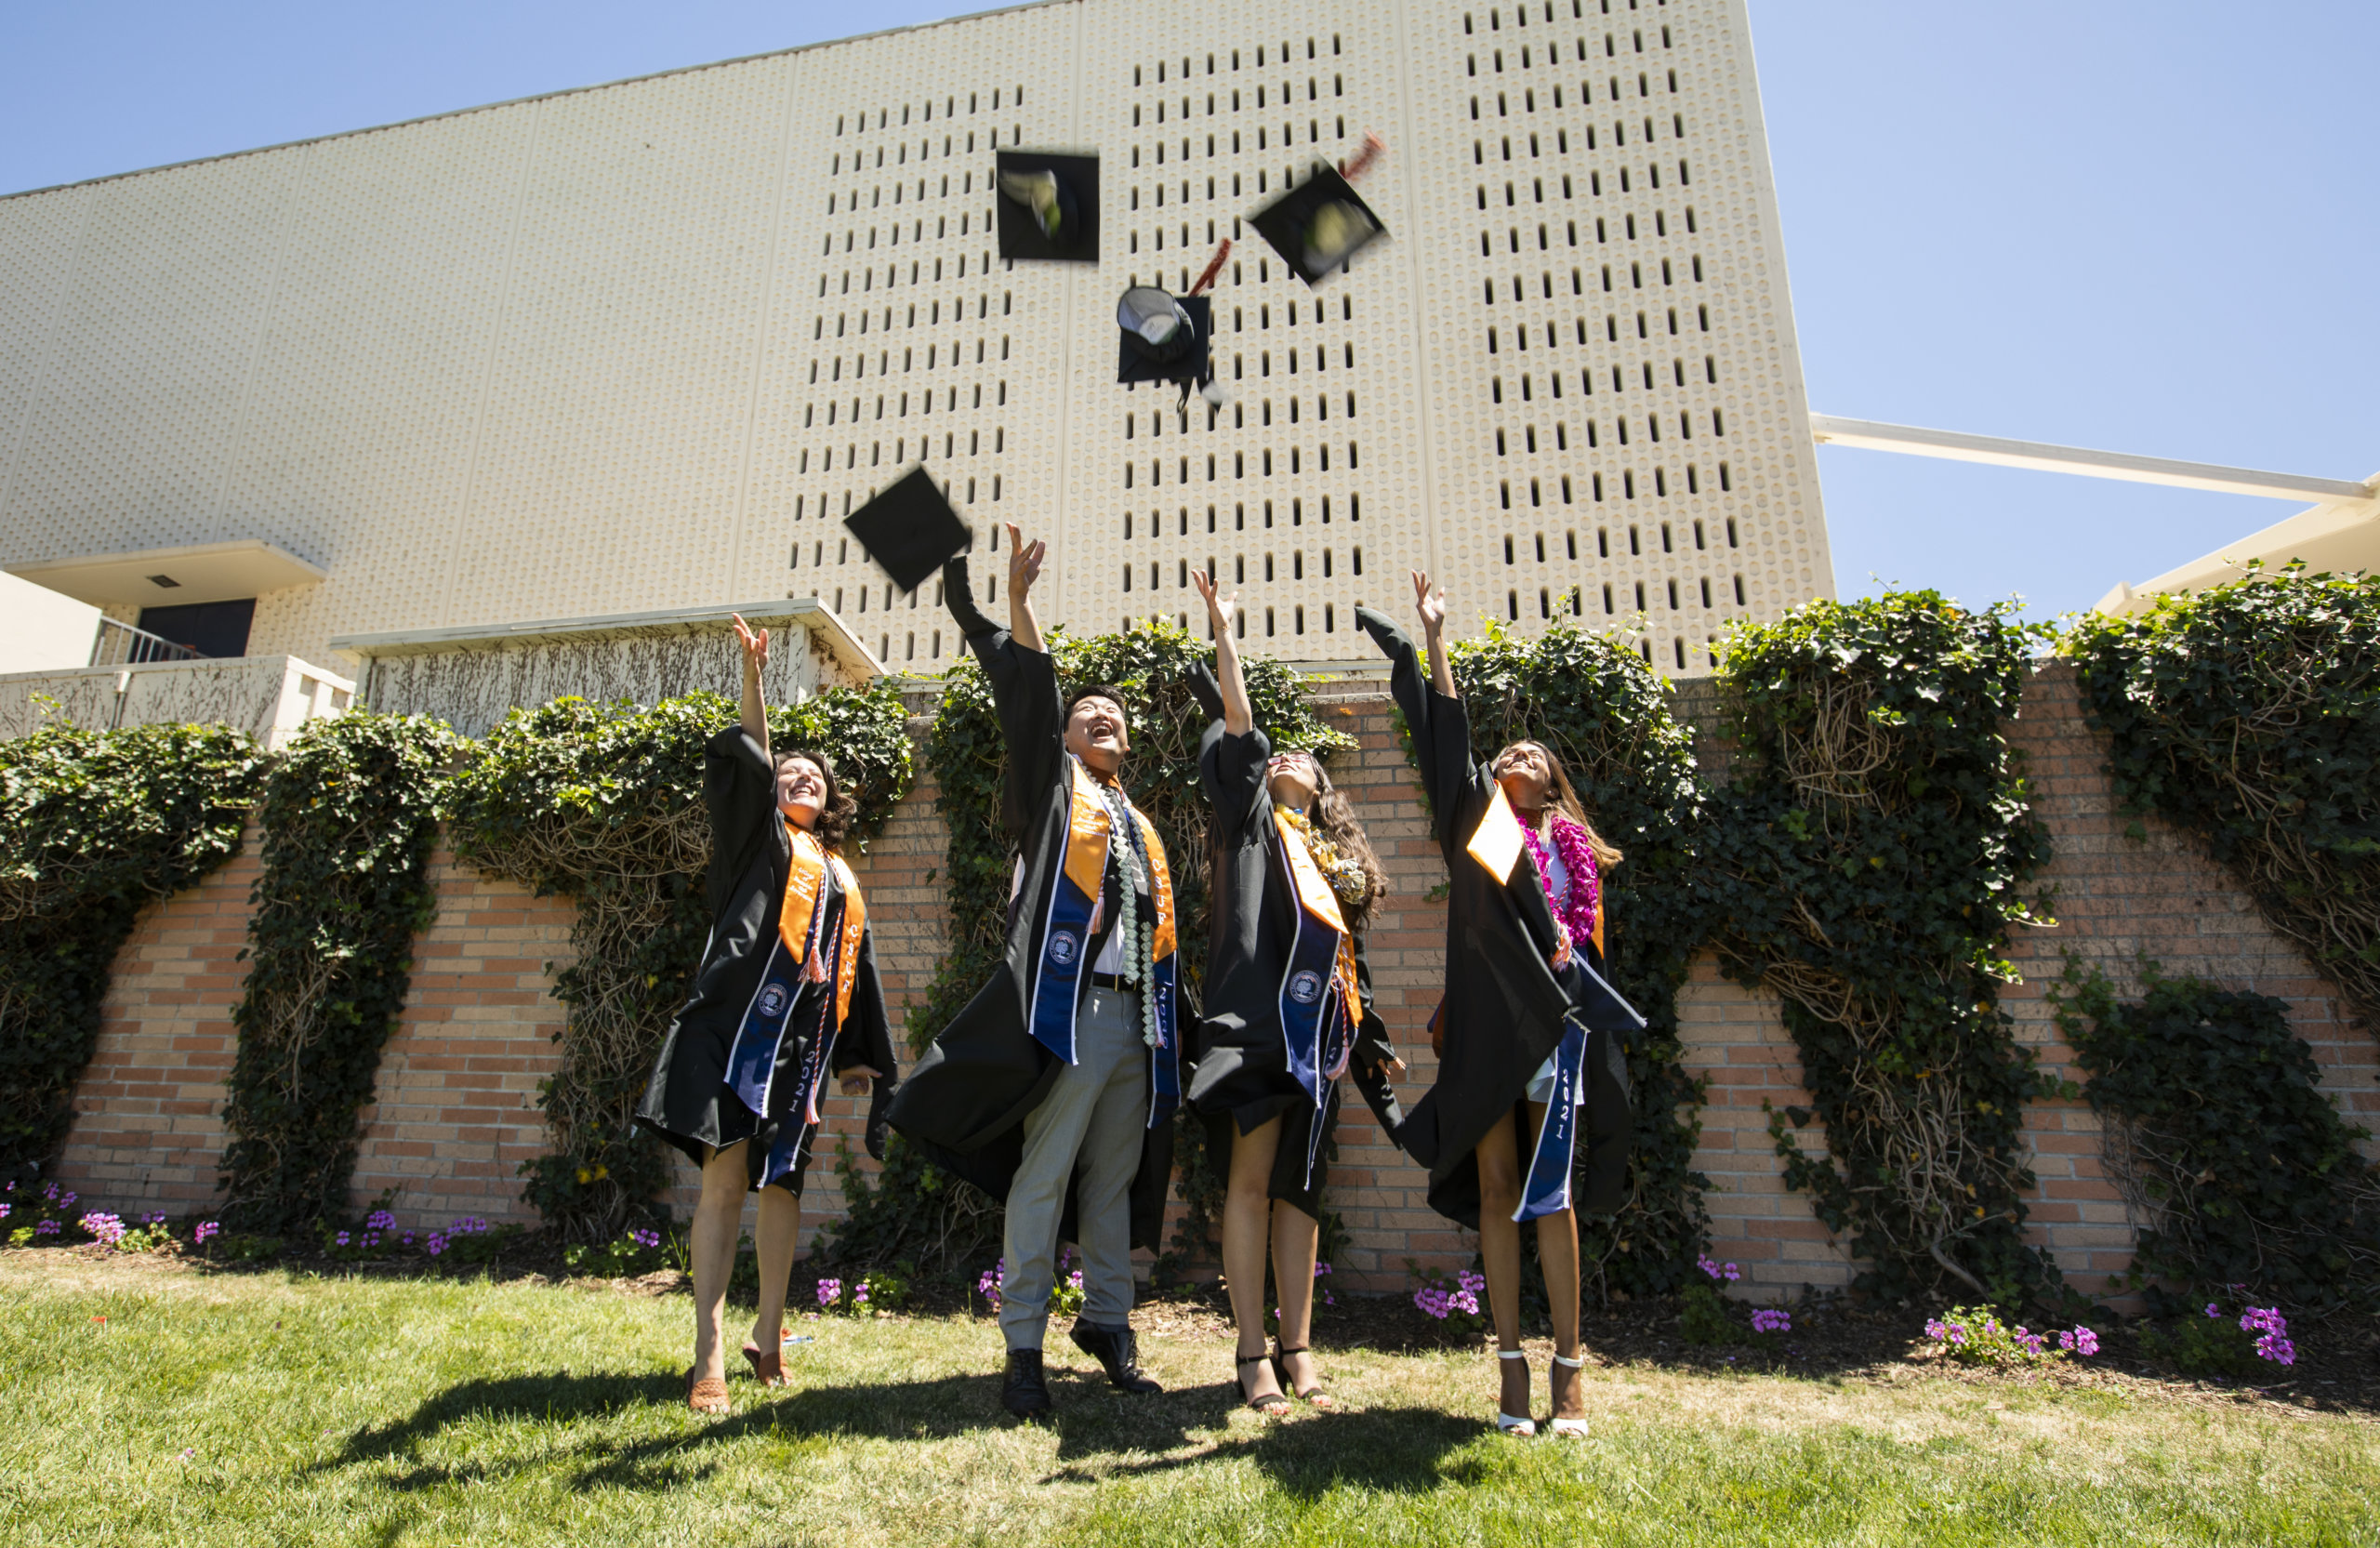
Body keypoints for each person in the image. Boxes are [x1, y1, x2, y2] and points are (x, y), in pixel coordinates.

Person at [888, 525, 1183, 1421]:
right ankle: (1023, 1344)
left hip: (1139, 1023)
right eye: (1086, 712)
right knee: (1045, 1174)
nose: (1103, 718)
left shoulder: (1136, 819)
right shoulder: (1052, 796)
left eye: (1116, 715)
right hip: (1073, 1013)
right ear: (1061, 735)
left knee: (1110, 1182)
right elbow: (1028, 698)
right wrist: (1017, 610)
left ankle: (1107, 1324)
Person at [1356, 575, 1642, 1440]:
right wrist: (1435, 642)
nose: (1512, 759)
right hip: (1488, 1024)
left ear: (1552, 779)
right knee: (1495, 1188)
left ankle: (1570, 1371)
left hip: (1553, 1028)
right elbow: (1450, 741)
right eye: (1504, 754)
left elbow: (1583, 947)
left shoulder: (1573, 852)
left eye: (1530, 756)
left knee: (1549, 1194)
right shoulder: (1478, 828)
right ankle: (1510, 1365)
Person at [634, 614, 897, 1414]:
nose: (801, 780)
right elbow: (750, 760)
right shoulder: (758, 845)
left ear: (833, 800)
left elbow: (860, 972)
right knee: (723, 1185)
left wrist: (859, 1055)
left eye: (815, 776)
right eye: (790, 773)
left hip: (801, 1053)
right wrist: (756, 678)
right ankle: (707, 1351)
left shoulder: (842, 874)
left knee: (783, 1189)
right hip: (738, 1037)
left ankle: (770, 1336)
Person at [1182, 569, 1401, 1416]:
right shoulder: (1249, 826)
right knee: (1249, 1180)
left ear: (1326, 788)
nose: (1288, 758)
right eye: (1279, 754)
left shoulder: (1336, 860)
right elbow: (1239, 724)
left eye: (1307, 757)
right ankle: (1249, 1352)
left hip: (1319, 1040)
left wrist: (1369, 1034)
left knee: (1301, 1190)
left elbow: (1350, 960)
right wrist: (1224, 634)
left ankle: (1300, 1343)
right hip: (1254, 1029)